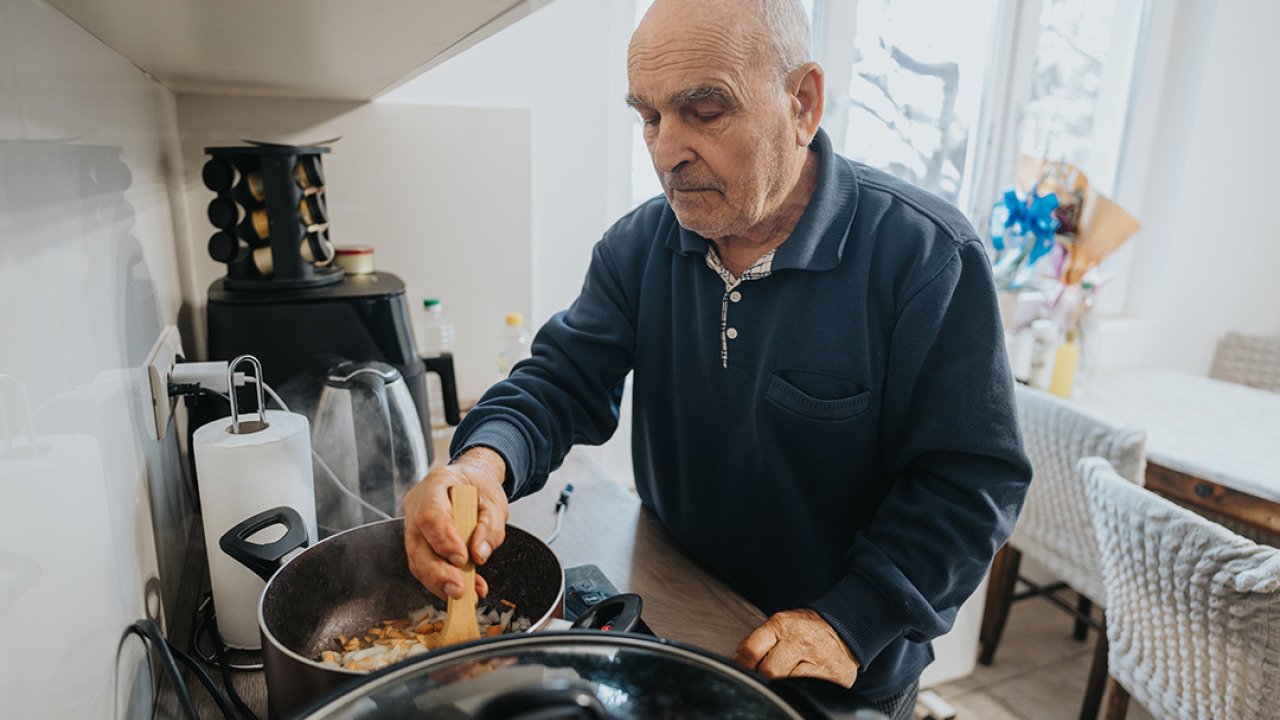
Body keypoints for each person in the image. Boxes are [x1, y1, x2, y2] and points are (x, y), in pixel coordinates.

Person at [403, 0, 1031, 716]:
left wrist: (853, 620)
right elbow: (559, 381)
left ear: (802, 103)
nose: (666, 151)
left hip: (839, 658)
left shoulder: (925, 257)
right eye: (649, 117)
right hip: (681, 600)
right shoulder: (637, 247)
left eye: (704, 111)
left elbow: (970, 482)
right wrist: (480, 465)